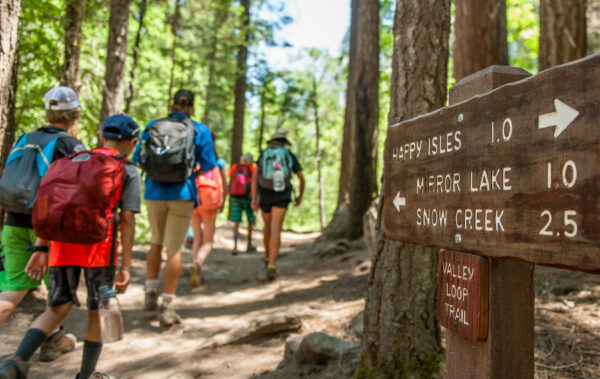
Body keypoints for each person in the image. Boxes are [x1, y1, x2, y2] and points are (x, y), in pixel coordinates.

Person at [0, 114, 141, 379]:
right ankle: (86, 375)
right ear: (133, 142)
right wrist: (126, 266)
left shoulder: (73, 161)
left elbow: (53, 207)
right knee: (97, 312)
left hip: (61, 247)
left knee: (57, 308)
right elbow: (128, 219)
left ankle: (15, 362)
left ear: (101, 135)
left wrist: (42, 248)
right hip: (100, 250)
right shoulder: (128, 170)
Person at [0, 86, 86, 360]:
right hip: (50, 230)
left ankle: (54, 338)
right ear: (75, 114)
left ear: (48, 112)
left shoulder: (25, 138)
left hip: (13, 222)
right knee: (58, 292)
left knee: (13, 288)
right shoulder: (71, 146)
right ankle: (49, 342)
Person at [132, 89, 216, 325]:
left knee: (155, 243)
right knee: (174, 249)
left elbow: (138, 158)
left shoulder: (152, 125)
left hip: (154, 192)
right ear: (191, 107)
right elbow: (208, 163)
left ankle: (150, 293)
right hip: (183, 192)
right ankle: (167, 307)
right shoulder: (199, 130)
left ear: (172, 105)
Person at [251, 131, 304, 281]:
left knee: (267, 226)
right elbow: (301, 177)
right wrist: (299, 196)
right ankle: (272, 265)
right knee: (276, 229)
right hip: (283, 195)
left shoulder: (264, 154)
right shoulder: (288, 154)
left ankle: (268, 256)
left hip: (265, 194)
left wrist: (254, 198)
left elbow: (255, 178)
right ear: (284, 142)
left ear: (272, 141)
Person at [188, 156, 226, 287]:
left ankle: (197, 269)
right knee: (208, 241)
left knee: (197, 237)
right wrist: (223, 201)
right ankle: (197, 263)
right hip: (210, 204)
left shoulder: (194, 162)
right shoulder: (218, 163)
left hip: (194, 202)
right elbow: (224, 185)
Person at [229, 153, 256, 254]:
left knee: (236, 221)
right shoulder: (252, 169)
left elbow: (231, 179)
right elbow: (254, 183)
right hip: (247, 198)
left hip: (235, 197)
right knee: (250, 220)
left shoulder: (234, 167)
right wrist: (255, 198)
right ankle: (249, 244)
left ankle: (235, 245)